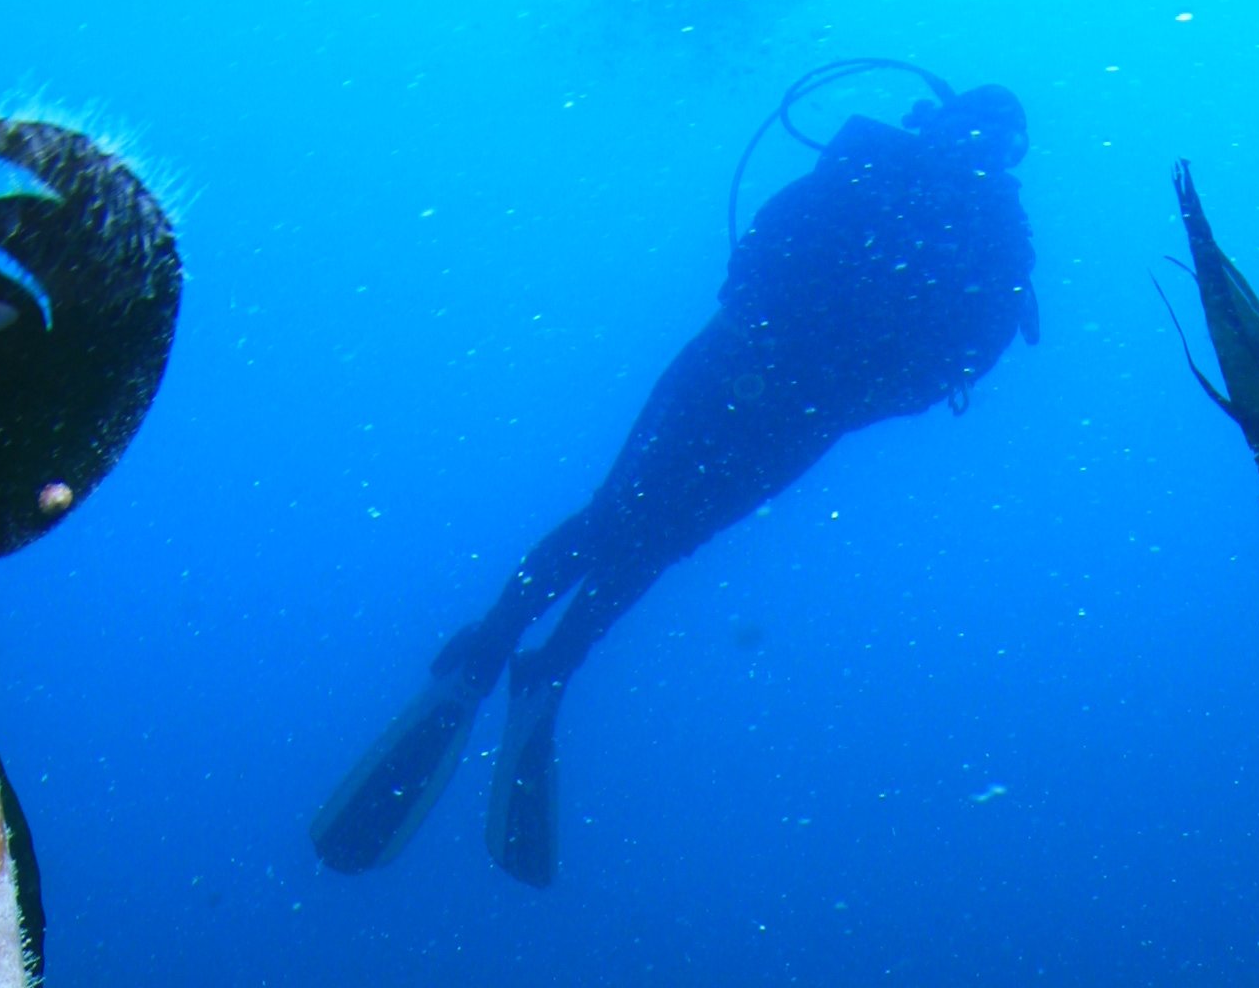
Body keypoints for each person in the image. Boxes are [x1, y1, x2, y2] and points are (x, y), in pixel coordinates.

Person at [313, 79, 1035, 886]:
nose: (973, 154)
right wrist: (791, 359)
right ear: (942, 123)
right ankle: (503, 654)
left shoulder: (983, 229)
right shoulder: (898, 183)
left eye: (991, 146)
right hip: (752, 379)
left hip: (788, 400)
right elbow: (775, 251)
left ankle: (537, 664)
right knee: (625, 524)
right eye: (973, 135)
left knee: (650, 535)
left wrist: (826, 385)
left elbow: (958, 352)